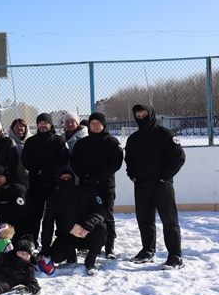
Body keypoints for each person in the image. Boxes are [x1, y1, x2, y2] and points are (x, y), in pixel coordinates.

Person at [124, 104, 186, 269]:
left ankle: (175, 255)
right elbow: (128, 160)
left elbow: (178, 158)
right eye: (138, 116)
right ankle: (147, 251)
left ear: (151, 115)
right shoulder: (133, 139)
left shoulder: (165, 135)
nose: (141, 118)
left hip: (161, 186)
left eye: (144, 115)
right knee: (144, 220)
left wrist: (165, 177)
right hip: (141, 186)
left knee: (169, 221)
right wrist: (133, 176)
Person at [70, 112, 124, 259]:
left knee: (107, 215)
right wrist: (86, 176)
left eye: (98, 123)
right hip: (86, 185)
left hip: (105, 185)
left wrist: (97, 177)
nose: (95, 126)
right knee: (85, 214)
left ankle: (109, 246)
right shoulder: (82, 143)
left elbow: (115, 163)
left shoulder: (111, 142)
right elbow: (74, 162)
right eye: (92, 123)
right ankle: (85, 244)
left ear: (103, 125)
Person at [38, 167, 107, 275]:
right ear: (58, 180)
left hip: (87, 232)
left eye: (69, 177)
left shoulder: (87, 191)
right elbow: (48, 224)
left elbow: (101, 210)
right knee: (56, 256)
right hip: (67, 236)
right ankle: (71, 254)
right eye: (63, 178)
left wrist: (92, 221)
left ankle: (90, 260)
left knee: (101, 231)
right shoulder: (52, 198)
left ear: (73, 178)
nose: (66, 180)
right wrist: (45, 248)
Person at [21, 113, 69, 245]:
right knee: (35, 214)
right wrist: (37, 169)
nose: (43, 125)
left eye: (45, 122)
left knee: (56, 214)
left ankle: (60, 241)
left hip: (54, 184)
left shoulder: (58, 140)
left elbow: (63, 159)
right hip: (35, 183)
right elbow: (25, 159)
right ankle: (33, 240)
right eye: (40, 122)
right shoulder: (31, 141)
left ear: (50, 124)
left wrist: (48, 169)